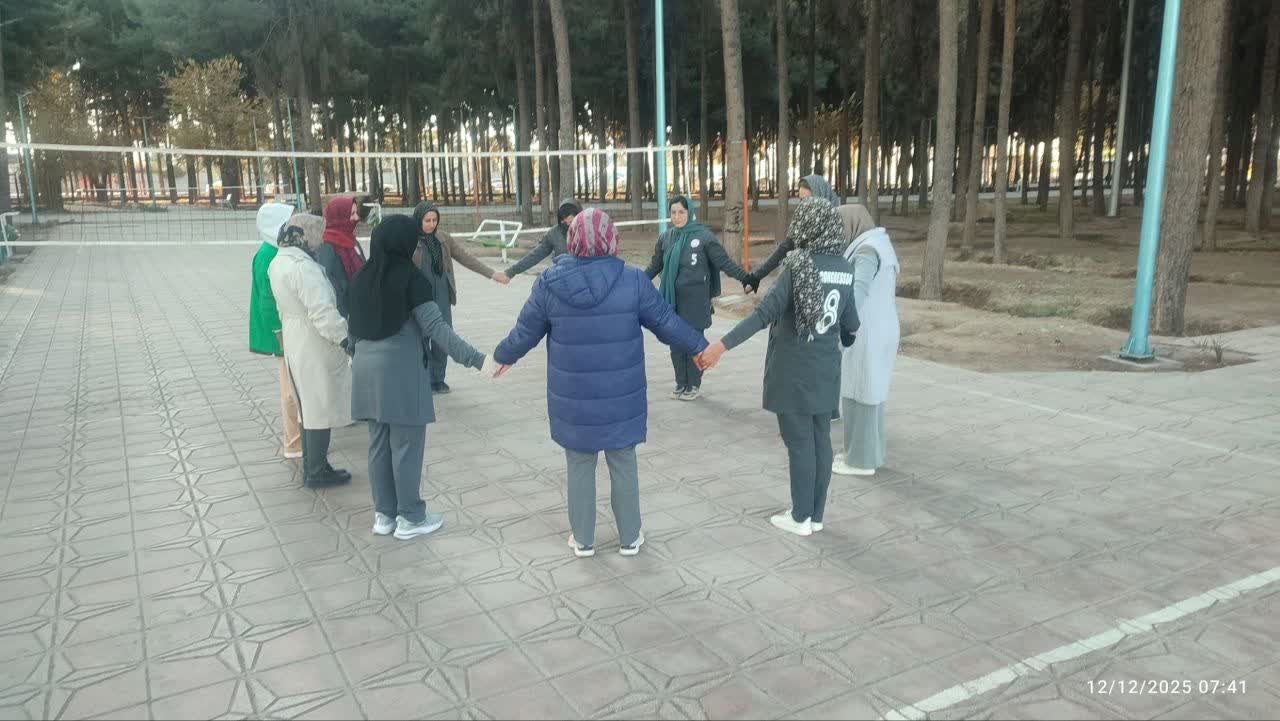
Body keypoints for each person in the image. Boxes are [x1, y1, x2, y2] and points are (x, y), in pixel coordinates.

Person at [492, 208, 709, 558]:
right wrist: (699, 347)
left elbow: (525, 331)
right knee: (623, 461)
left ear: (572, 240)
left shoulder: (549, 282)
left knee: (579, 464)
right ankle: (630, 537)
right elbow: (666, 321)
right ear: (612, 239)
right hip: (621, 397)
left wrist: (503, 356)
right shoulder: (632, 280)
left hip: (573, 399)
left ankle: (583, 539)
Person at [697, 197, 859, 536]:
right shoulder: (845, 268)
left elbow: (762, 315)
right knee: (821, 441)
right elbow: (851, 324)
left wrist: (720, 347)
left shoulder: (798, 267)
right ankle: (815, 515)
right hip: (827, 369)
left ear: (808, 227)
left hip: (793, 369)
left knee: (799, 443)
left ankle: (800, 517)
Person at [347, 215, 498, 540]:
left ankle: (384, 515)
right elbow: (438, 330)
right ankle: (411, 517)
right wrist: (479, 361)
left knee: (378, 444)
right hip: (399, 372)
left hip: (364, 370)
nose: (418, 250)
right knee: (406, 446)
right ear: (402, 245)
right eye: (415, 244)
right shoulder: (412, 280)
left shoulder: (361, 277)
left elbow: (351, 329)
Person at [268, 216, 353, 488]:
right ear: (304, 235)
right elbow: (322, 311)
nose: (320, 240)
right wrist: (345, 339)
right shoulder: (304, 268)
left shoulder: (279, 260)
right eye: (317, 234)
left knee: (307, 405)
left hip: (296, 335)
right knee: (319, 405)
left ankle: (313, 465)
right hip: (314, 340)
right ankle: (317, 470)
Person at [644, 195, 752, 401]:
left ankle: (693, 384)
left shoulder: (704, 237)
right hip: (672, 303)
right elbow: (654, 266)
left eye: (681, 212)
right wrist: (637, 282)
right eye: (673, 212)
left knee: (694, 344)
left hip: (695, 302)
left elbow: (724, 263)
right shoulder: (666, 238)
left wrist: (747, 279)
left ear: (689, 213)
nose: (677, 217)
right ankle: (680, 383)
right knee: (676, 345)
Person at [413, 201, 509, 394]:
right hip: (420, 298)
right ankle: (424, 378)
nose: (431, 224)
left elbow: (466, 258)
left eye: (434, 220)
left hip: (442, 295)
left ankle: (438, 379)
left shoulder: (443, 239)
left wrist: (491, 273)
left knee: (443, 339)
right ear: (418, 220)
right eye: (427, 220)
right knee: (421, 339)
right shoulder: (410, 242)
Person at [834, 204, 899, 477]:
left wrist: (841, 324)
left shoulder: (867, 251)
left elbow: (857, 293)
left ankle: (861, 462)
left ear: (852, 224)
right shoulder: (877, 243)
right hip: (876, 328)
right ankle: (863, 452)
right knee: (864, 393)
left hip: (866, 331)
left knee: (862, 394)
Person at [249, 203, 303, 459]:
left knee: (294, 385)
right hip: (282, 331)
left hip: (288, 328)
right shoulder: (267, 255)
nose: (293, 223)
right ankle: (293, 443)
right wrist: (279, 334)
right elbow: (267, 301)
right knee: (289, 389)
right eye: (288, 220)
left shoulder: (276, 249)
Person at [744, 174, 843, 293]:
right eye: (801, 200)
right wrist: (756, 277)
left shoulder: (840, 223)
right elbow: (785, 248)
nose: (804, 205)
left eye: (808, 200)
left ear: (821, 196)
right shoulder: (803, 222)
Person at [498, 199, 581, 281]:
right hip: (562, 279)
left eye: (571, 222)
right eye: (564, 222)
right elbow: (535, 255)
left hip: (583, 278)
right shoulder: (554, 234)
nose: (568, 225)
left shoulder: (587, 230)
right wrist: (511, 272)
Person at [316, 195, 367, 318]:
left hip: (358, 308)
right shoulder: (326, 246)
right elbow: (328, 285)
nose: (357, 218)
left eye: (356, 213)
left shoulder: (351, 240)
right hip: (342, 315)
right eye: (352, 214)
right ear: (339, 217)